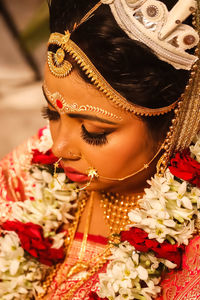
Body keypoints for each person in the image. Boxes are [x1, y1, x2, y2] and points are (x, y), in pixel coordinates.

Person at [0, 0, 200, 299]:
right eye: (52, 114)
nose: (58, 146)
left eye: (94, 132)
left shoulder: (191, 254)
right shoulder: (28, 167)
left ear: (176, 123)